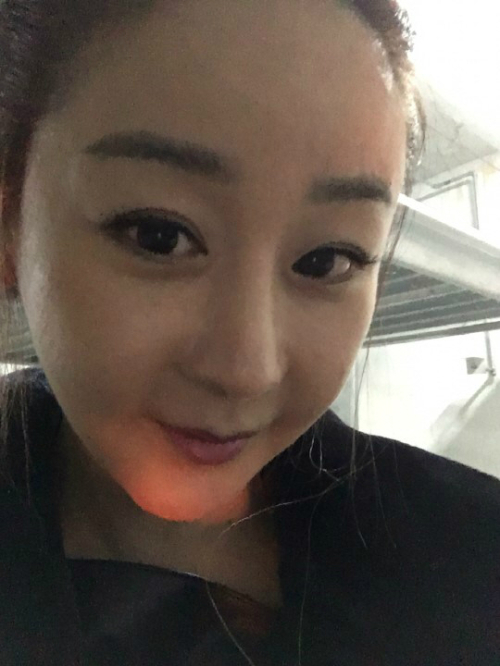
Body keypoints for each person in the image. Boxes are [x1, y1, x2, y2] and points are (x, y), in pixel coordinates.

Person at [0, 0, 498, 664]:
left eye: (327, 260)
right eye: (159, 235)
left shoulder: (476, 568)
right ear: (10, 222)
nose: (246, 369)